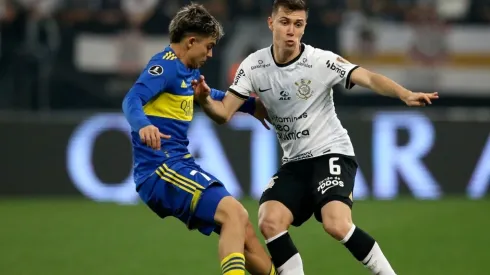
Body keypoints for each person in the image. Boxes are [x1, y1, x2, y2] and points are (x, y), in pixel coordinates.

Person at [192, 0, 439, 274]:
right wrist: (204, 100)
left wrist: (404, 94)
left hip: (331, 153)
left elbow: (366, 77)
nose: (291, 30)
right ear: (271, 23)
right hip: (295, 163)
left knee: (336, 224)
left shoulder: (320, 62)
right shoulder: (253, 66)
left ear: (304, 27)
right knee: (269, 220)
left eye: (298, 24)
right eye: (285, 22)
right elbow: (224, 113)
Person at [121, 4, 276, 275]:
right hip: (161, 169)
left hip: (180, 165)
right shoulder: (164, 67)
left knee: (244, 232)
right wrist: (143, 125)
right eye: (208, 45)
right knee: (234, 214)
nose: (211, 53)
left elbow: (211, 95)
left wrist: (251, 106)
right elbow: (132, 99)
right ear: (191, 41)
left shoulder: (187, 71)